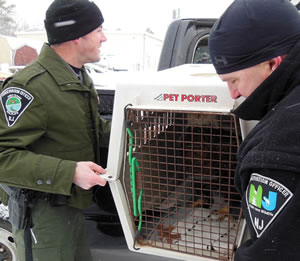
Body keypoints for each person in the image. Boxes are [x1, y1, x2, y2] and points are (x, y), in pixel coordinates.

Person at [0, 0, 110, 260]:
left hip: (72, 210)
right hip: (43, 218)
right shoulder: (30, 87)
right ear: (76, 36)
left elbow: (88, 129)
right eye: (98, 30)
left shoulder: (78, 78)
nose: (104, 38)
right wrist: (70, 172)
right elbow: (3, 155)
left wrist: (137, 133)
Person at [208, 0, 300, 260]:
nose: (234, 93)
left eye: (233, 80)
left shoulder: (279, 146)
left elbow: (271, 254)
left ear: (273, 64)